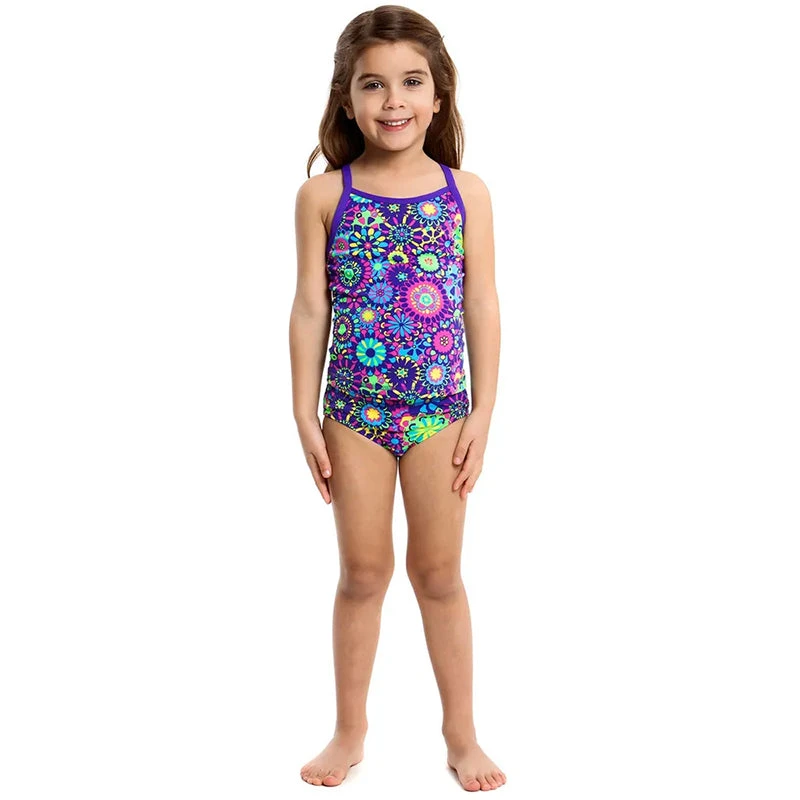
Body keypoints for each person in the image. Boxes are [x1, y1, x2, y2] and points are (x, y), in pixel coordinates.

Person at [289, 5, 504, 791]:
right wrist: (303, 411)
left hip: (441, 412)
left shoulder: (465, 193)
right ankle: (350, 730)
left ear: (438, 96)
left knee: (440, 573)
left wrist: (483, 412)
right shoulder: (323, 196)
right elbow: (310, 306)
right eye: (373, 85)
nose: (393, 101)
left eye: (411, 82)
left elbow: (481, 302)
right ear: (346, 100)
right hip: (354, 415)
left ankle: (461, 734)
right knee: (363, 572)